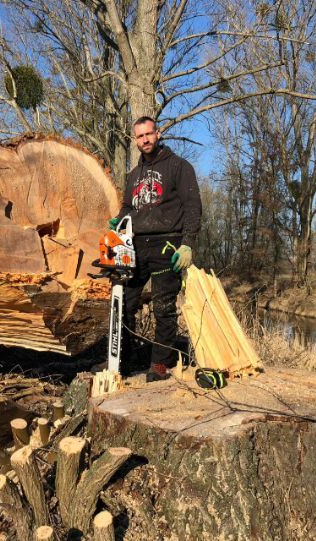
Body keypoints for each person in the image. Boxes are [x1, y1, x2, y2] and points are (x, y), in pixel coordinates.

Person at [109, 116, 202, 381]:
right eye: (139, 136)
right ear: (135, 140)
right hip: (135, 246)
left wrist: (187, 245)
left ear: (158, 134)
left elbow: (193, 206)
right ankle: (121, 361)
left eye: (149, 134)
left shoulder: (178, 166)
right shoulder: (134, 175)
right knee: (124, 302)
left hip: (167, 245)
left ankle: (160, 364)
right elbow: (128, 207)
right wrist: (120, 222)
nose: (145, 140)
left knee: (163, 306)